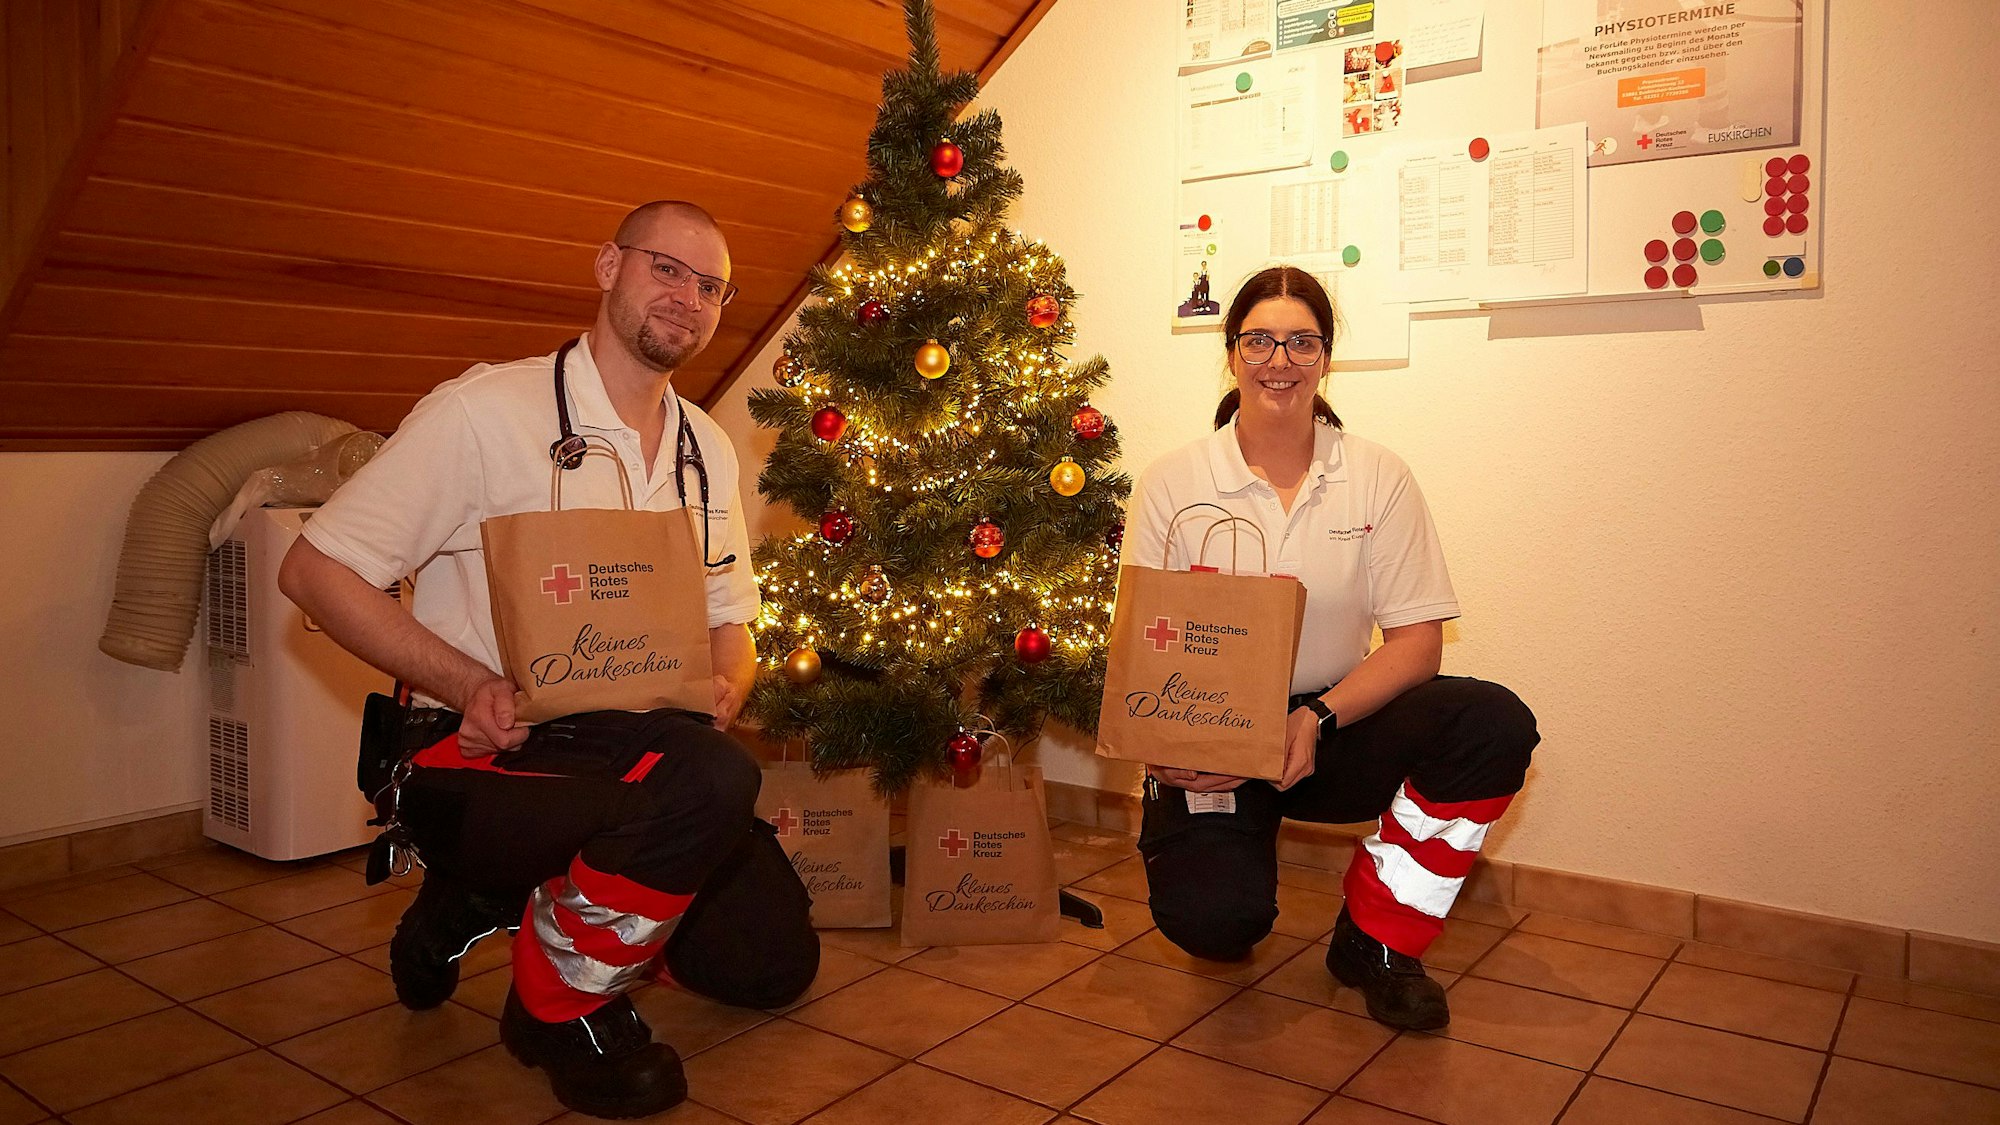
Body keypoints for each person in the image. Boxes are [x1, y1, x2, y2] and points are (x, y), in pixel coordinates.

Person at [279, 201, 817, 1118]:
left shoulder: (706, 449)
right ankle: (554, 1004)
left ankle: (486, 904)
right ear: (607, 266)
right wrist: (470, 683)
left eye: (712, 286)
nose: (689, 298)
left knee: (770, 965)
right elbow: (313, 570)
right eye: (667, 269)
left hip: (644, 747)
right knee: (709, 782)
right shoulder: (483, 412)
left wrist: (732, 680)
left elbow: (734, 617)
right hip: (486, 746)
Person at [1125, 265, 1538, 1031]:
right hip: (1210, 740)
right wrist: (1165, 744)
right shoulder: (1172, 483)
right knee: (1217, 925)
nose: (1279, 359)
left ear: (1324, 355)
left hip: (1330, 725)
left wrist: (1315, 716)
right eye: (1259, 340)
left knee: (1493, 721)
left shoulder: (1377, 476)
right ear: (1231, 351)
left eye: (1301, 341)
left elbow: (1417, 642)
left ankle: (1378, 937)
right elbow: (1142, 647)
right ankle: (1208, 845)